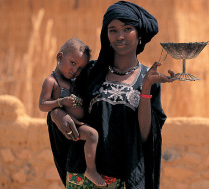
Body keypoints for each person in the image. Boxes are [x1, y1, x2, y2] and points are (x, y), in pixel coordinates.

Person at [48, 1, 175, 188]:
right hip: (83, 176)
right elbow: (64, 100)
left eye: (127, 28)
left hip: (123, 178)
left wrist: (146, 87)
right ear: (106, 35)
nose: (120, 36)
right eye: (113, 30)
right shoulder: (91, 71)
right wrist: (55, 113)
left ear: (139, 34)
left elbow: (146, 135)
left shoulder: (148, 78)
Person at [39, 38, 107, 186]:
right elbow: (43, 105)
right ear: (60, 57)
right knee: (92, 135)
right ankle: (91, 170)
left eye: (80, 68)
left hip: (79, 123)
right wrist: (60, 103)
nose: (75, 71)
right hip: (70, 127)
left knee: (93, 135)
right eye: (73, 63)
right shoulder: (51, 82)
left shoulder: (75, 82)